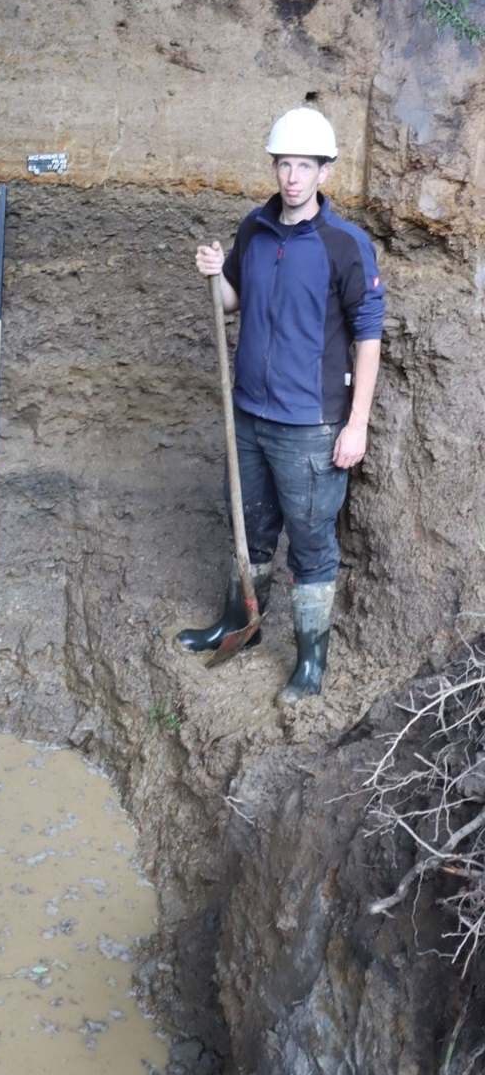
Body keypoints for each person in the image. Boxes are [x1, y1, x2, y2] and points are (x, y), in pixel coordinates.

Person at [177, 107, 385, 702]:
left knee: (312, 539)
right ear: (274, 167)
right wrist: (215, 275)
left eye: (305, 166)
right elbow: (231, 304)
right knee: (251, 524)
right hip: (249, 413)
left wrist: (357, 424)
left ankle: (310, 663)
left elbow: (369, 331)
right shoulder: (254, 228)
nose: (292, 176)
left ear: (323, 172)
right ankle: (238, 623)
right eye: (284, 164)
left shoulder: (345, 246)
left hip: (312, 424)